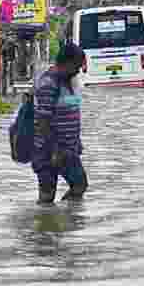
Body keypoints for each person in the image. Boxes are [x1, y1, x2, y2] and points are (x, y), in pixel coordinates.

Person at [33, 42, 87, 204]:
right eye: (76, 66)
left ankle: (60, 222)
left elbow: (71, 115)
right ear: (66, 62)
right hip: (48, 151)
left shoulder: (68, 82)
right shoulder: (48, 84)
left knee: (78, 186)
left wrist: (76, 143)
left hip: (67, 150)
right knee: (48, 195)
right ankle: (49, 224)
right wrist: (54, 150)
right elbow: (42, 121)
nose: (78, 70)